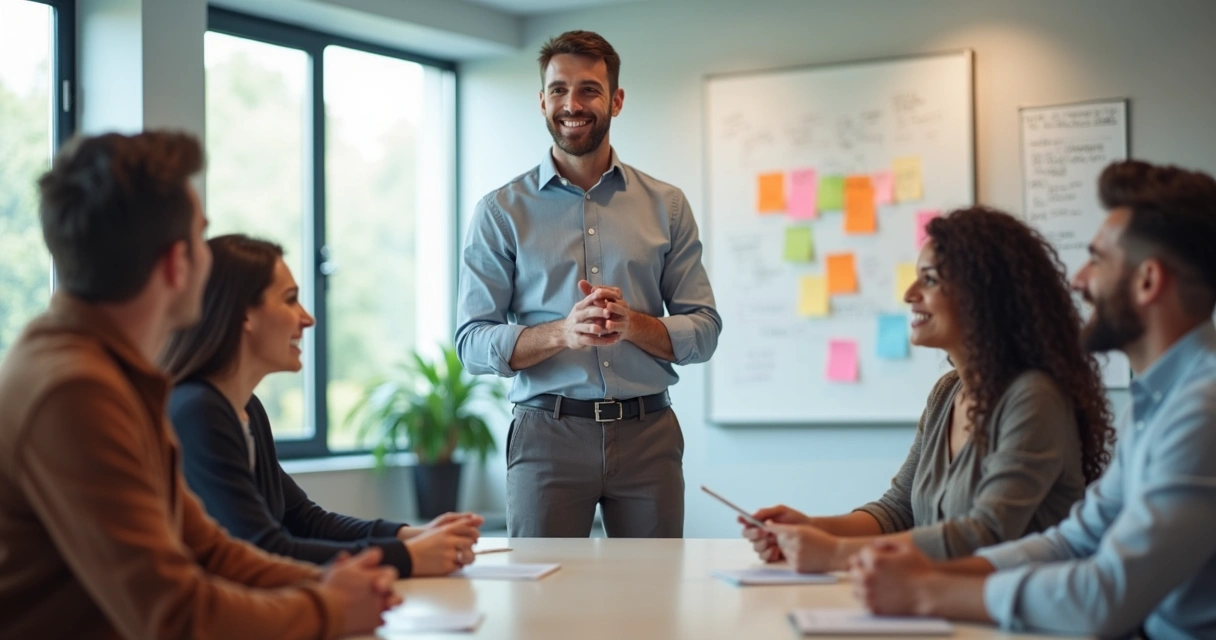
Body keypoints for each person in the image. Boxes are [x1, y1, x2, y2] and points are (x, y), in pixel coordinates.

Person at [0, 131, 397, 639]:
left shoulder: (113, 372)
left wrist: (335, 583)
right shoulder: (74, 391)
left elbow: (209, 550)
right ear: (175, 263)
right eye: (201, 235)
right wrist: (329, 608)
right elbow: (174, 615)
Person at [850, 160, 1216, 639]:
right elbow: (1075, 540)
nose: (1079, 280)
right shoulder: (1156, 404)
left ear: (1147, 282)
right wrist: (927, 571)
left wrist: (925, 592)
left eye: (1098, 260)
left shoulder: (1201, 411)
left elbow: (1105, 597)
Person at [743, 207, 1115, 573]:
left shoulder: (1034, 397)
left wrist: (838, 554)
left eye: (930, 279)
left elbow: (986, 534)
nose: (909, 293)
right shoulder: (947, 393)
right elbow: (899, 510)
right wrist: (809, 529)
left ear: (983, 294)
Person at [456, 30, 722, 538]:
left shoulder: (667, 205)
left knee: (651, 603)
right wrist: (563, 332)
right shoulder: (499, 212)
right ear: (541, 100)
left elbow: (705, 330)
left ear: (616, 100)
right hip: (546, 436)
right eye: (558, 90)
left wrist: (633, 325)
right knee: (543, 607)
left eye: (588, 90)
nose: (571, 104)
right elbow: (471, 342)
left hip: (649, 435)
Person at [161, 234, 483, 578]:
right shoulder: (198, 412)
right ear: (245, 315)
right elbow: (264, 548)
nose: (307, 319)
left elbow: (304, 521)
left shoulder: (246, 408)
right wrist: (406, 556)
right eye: (290, 300)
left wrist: (413, 535)